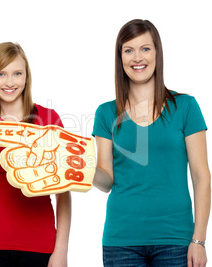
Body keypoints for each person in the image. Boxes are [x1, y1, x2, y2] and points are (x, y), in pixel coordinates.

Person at [92, 19, 210, 266]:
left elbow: (201, 176)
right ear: (120, 57)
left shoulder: (185, 107)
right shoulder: (105, 113)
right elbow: (105, 181)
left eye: (145, 48)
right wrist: (82, 167)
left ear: (157, 53)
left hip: (176, 241)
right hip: (121, 242)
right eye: (128, 50)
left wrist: (198, 240)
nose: (137, 57)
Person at [0, 42, 71, 267]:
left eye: (17, 74)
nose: (10, 82)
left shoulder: (49, 120)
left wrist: (60, 251)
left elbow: (63, 193)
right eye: (1, 74)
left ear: (26, 77)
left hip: (40, 242)